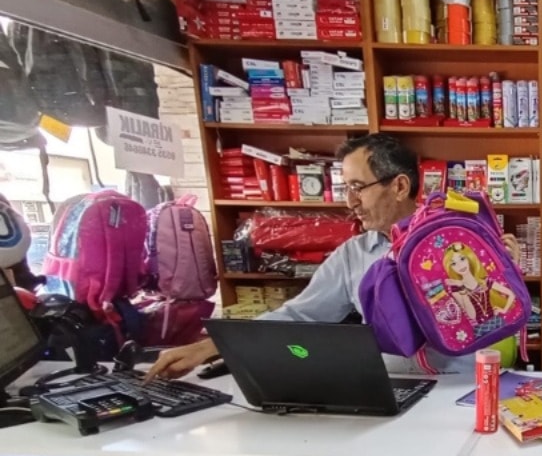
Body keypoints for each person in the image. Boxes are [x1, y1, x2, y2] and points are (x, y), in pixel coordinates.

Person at [146, 133, 521, 379]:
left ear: (399, 186)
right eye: (346, 188)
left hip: (462, 390)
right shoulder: (353, 256)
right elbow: (299, 315)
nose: (350, 201)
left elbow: (496, 308)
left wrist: (505, 268)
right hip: (392, 389)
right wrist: (212, 345)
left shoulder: (455, 239)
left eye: (358, 187)